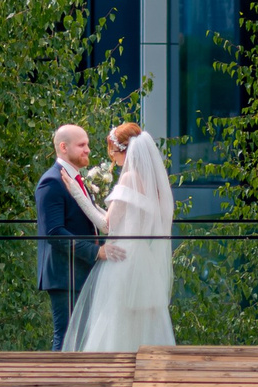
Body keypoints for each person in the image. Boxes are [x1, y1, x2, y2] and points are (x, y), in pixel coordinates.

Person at [61, 123, 176, 353]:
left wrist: (77, 193)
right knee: (144, 324)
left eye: (112, 152)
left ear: (123, 150)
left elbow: (107, 225)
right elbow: (123, 222)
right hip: (144, 260)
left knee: (116, 323)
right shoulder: (152, 183)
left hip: (123, 259)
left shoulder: (129, 178)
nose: (112, 158)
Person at [35, 123, 106, 351]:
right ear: (63, 147)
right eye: (82, 145)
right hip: (66, 275)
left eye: (88, 144)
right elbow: (54, 233)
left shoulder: (74, 180)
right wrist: (96, 252)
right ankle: (58, 385)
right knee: (67, 338)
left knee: (82, 339)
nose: (88, 150)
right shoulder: (52, 182)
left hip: (80, 272)